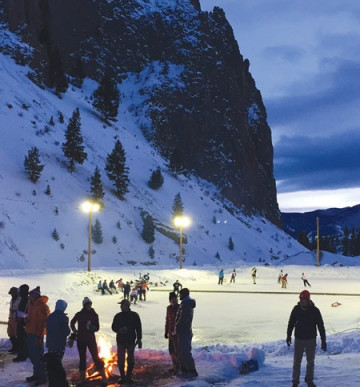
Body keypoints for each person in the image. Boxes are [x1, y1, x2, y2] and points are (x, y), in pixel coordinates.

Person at [286, 290, 326, 387]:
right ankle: (295, 382)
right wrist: (288, 335)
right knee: (297, 362)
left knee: (310, 361)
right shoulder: (296, 309)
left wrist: (323, 340)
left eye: (303, 299)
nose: (302, 301)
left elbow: (320, 326)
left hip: (311, 339)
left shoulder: (315, 311)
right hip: (299, 338)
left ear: (308, 299)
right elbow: (291, 323)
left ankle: (309, 380)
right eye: (300, 299)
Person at [70, 297, 107, 386]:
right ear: (84, 305)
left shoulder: (94, 314)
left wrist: (92, 328)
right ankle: (83, 379)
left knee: (96, 357)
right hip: (81, 339)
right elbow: (72, 322)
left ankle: (104, 378)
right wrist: (75, 331)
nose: (89, 306)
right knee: (82, 359)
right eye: (87, 304)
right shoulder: (79, 314)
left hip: (90, 339)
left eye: (90, 304)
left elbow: (97, 328)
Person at [112, 299, 142, 384]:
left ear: (127, 306)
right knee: (121, 359)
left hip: (131, 340)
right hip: (121, 340)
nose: (121, 307)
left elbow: (138, 328)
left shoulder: (134, 315)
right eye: (121, 306)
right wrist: (119, 330)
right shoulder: (118, 316)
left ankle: (129, 377)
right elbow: (113, 327)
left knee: (130, 359)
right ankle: (122, 377)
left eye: (122, 305)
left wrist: (139, 339)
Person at [25, 287, 50, 386]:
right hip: (30, 332)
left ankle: (43, 377)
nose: (29, 296)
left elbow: (45, 323)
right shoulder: (30, 304)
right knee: (32, 356)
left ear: (36, 296)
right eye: (29, 295)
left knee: (38, 357)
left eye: (31, 295)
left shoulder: (43, 306)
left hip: (37, 335)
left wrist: (40, 336)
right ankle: (36, 374)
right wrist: (26, 319)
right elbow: (31, 317)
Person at [45, 299, 71, 387]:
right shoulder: (63, 318)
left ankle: (52, 381)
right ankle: (57, 382)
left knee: (51, 363)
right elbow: (66, 331)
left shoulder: (50, 316)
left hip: (50, 343)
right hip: (59, 344)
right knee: (57, 364)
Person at [175, 288, 198, 377]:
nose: (179, 296)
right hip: (184, 331)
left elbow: (183, 319)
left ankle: (191, 371)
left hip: (184, 331)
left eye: (180, 294)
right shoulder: (186, 304)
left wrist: (177, 326)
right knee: (182, 351)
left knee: (185, 351)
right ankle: (185, 369)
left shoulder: (186, 305)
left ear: (183, 295)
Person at [13, 284, 29, 362]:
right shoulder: (25, 299)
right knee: (23, 340)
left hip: (23, 323)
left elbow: (26, 313)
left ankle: (22, 356)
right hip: (22, 323)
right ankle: (24, 355)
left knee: (21, 340)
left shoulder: (25, 300)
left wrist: (18, 314)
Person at [165, 292, 180, 374]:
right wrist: (166, 331)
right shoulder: (169, 308)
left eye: (175, 299)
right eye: (172, 299)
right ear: (170, 300)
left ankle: (178, 367)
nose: (174, 301)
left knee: (177, 350)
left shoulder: (179, 308)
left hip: (177, 333)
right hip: (171, 332)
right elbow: (167, 320)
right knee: (171, 350)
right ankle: (175, 365)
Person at [7, 286, 21, 353]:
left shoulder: (20, 300)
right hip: (11, 318)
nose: (11, 295)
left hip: (17, 319)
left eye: (12, 293)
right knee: (10, 333)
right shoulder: (12, 300)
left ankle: (18, 348)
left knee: (18, 334)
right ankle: (14, 347)